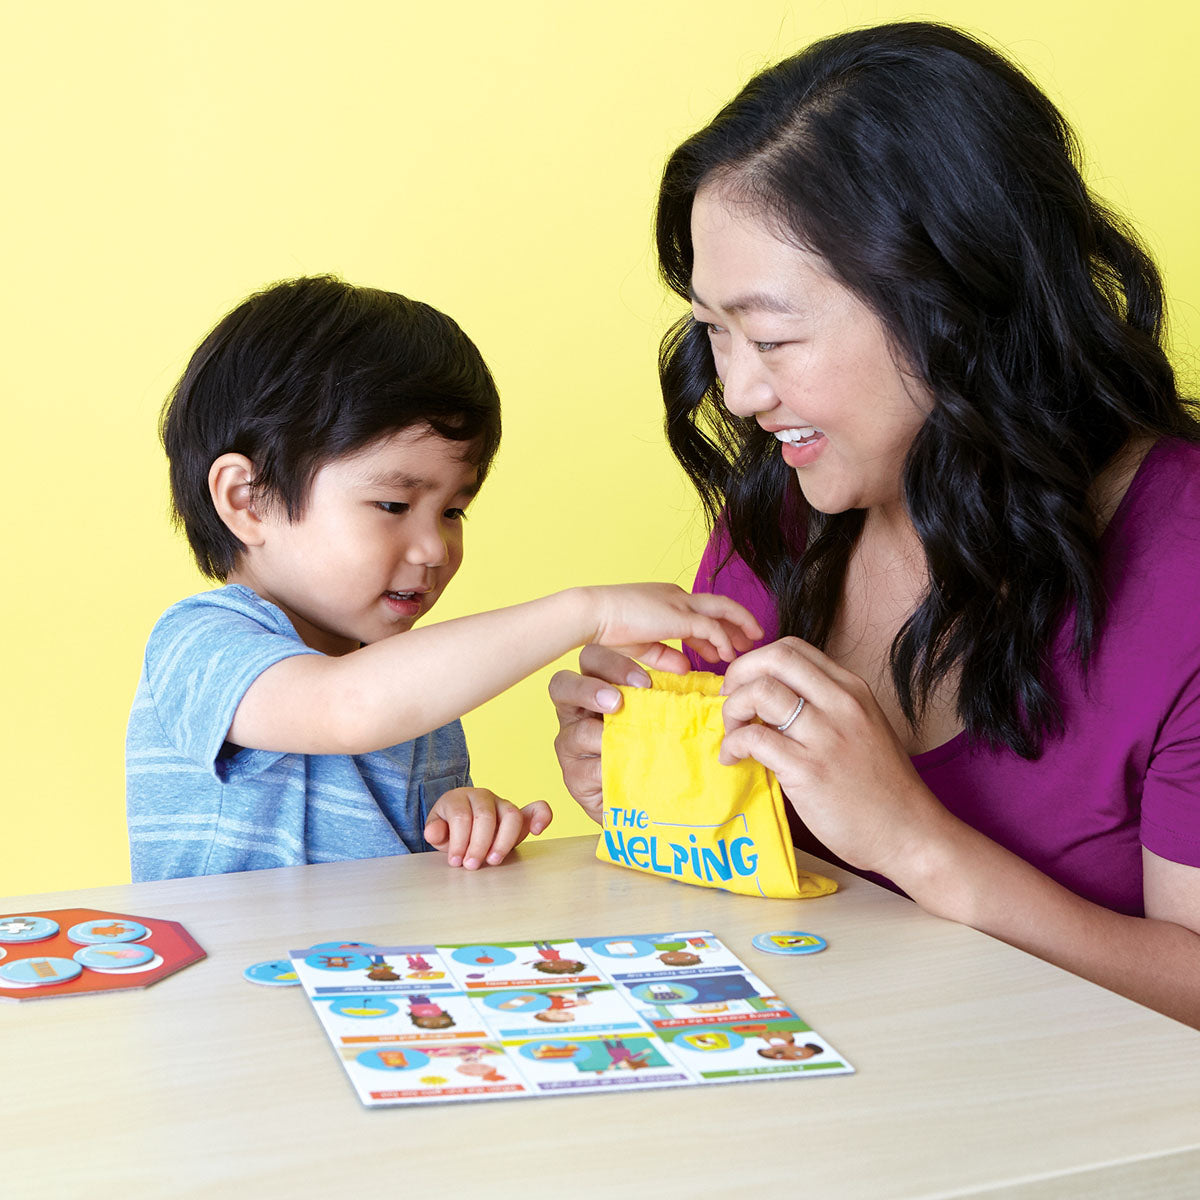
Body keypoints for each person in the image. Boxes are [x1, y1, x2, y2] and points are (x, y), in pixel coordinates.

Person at [550, 23, 1200, 1027]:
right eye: (713, 332)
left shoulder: (1182, 567)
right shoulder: (781, 512)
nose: (739, 392)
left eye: (772, 336)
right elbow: (785, 910)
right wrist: (654, 798)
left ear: (958, 302)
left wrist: (915, 843)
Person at [127, 276, 760, 882]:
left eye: (453, 511)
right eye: (393, 505)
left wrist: (463, 820)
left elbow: (398, 857)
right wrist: (586, 612)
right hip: (231, 963)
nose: (435, 547)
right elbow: (347, 707)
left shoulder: (416, 686)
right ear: (248, 500)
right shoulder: (199, 644)